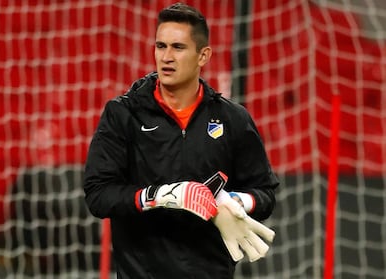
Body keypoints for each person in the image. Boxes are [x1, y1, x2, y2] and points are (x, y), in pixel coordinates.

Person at [83, 3, 279, 279]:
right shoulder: (123, 114)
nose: (166, 57)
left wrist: (233, 202)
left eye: (178, 47)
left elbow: (265, 194)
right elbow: (98, 195)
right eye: (160, 46)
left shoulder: (233, 119)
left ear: (203, 56)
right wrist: (160, 196)